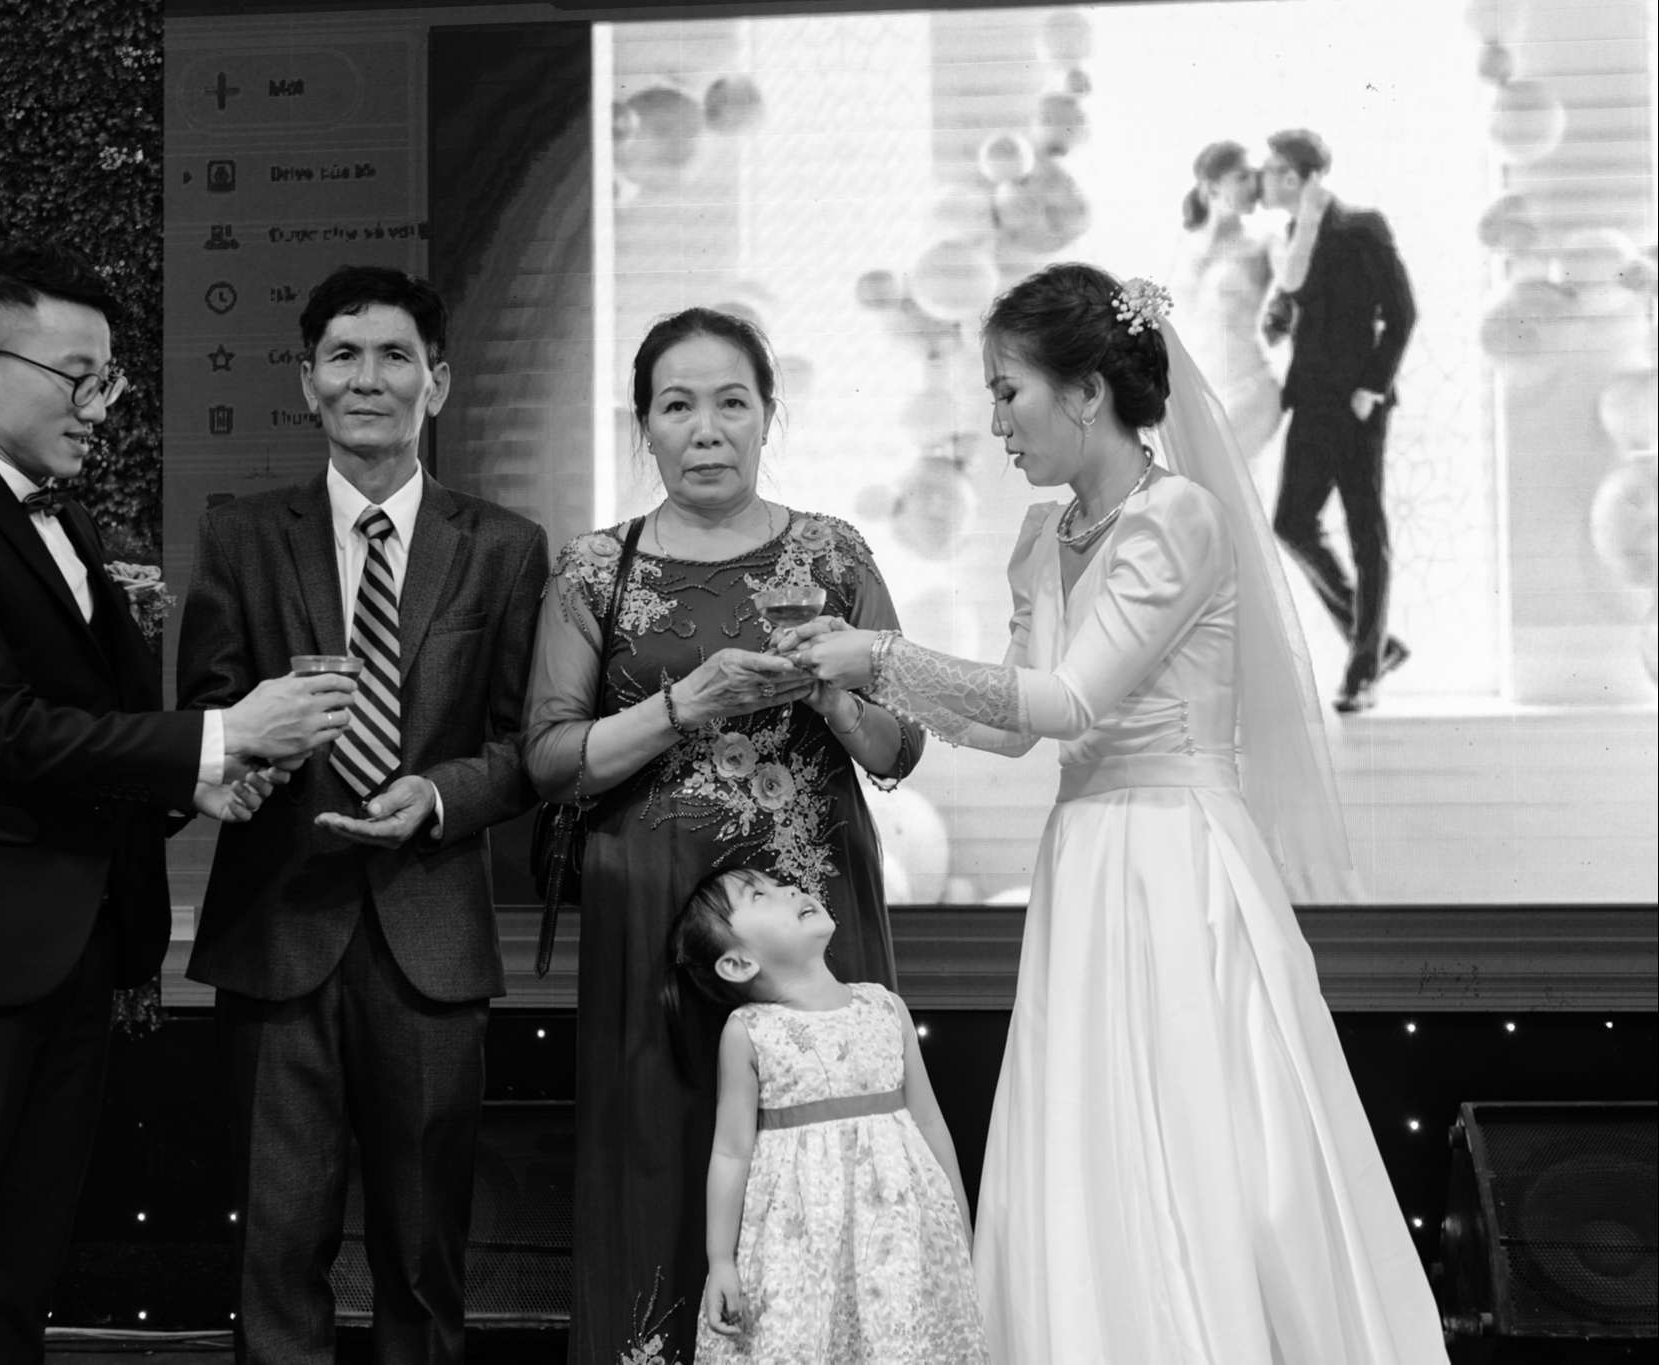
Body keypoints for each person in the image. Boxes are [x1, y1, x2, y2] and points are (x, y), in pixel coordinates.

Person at [780, 264, 1446, 1364]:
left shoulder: (1174, 520)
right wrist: (847, 696)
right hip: (1085, 854)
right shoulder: (1043, 534)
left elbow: (1069, 699)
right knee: (1089, 1129)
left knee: (1197, 1129)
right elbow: (1009, 726)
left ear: (1087, 391)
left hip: (1174, 854)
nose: (996, 423)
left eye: (1008, 392)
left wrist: (881, 654)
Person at [0, 241, 326, 1364]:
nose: (100, 405)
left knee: (20, 1269)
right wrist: (221, 732)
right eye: (76, 376)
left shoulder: (74, 528)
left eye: (107, 378)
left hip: (76, 951)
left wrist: (203, 782)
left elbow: (92, 746)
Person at [523, 306, 925, 1365]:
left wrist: (834, 697)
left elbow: (899, 745)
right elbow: (548, 760)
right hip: (653, 914)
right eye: (677, 406)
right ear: (643, 427)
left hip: (808, 903)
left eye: (730, 403)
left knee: (829, 1140)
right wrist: (681, 705)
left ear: (767, 415)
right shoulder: (593, 568)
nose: (705, 430)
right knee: (661, 1142)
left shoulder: (833, 553)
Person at [176, 264, 550, 1365]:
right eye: (342, 356)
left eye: (394, 356)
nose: (368, 378)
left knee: (422, 1257)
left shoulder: (504, 546)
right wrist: (241, 761)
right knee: (275, 1250)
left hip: (430, 935)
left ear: (438, 382)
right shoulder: (243, 535)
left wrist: (435, 794)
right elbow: (207, 713)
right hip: (275, 928)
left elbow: (526, 747)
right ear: (308, 382)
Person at [670, 868, 990, 1365]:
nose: (789, 888)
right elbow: (731, 1152)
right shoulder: (750, 1031)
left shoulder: (885, 1009)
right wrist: (721, 1260)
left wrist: (959, 1221)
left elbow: (928, 1121)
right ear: (737, 963)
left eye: (780, 883)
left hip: (898, 1240)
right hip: (800, 1250)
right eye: (759, 895)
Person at [1259, 128, 1416, 712]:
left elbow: (1402, 314)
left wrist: (1371, 390)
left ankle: (1362, 672)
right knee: (1291, 523)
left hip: (1356, 406)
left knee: (1365, 531)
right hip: (1309, 401)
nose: (1264, 180)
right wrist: (1278, 321)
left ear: (1295, 176)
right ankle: (1374, 644)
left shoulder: (1362, 227)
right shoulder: (1290, 236)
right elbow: (1300, 309)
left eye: (1271, 171)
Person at [1173, 140, 1282, 462]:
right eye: (1242, 177)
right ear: (1211, 187)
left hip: (1249, 390)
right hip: (1199, 393)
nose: (1254, 186)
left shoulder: (1264, 245)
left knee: (1210, 471)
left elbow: (1300, 288)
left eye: (1255, 177)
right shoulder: (1186, 245)